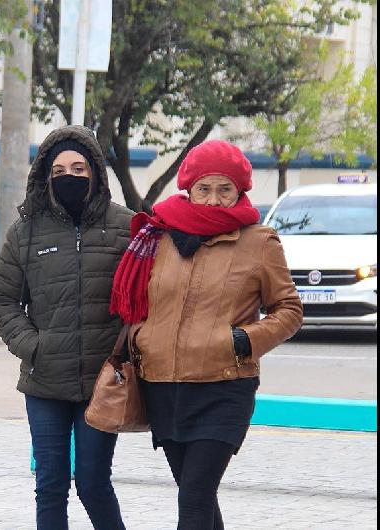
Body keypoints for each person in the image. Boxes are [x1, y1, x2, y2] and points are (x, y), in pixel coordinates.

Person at [109, 140, 303, 529]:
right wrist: (143, 339)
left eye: (224, 189)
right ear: (189, 189)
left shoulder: (259, 242)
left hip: (222, 387)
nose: (213, 200)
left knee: (194, 497)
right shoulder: (159, 237)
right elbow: (140, 301)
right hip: (163, 386)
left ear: (240, 191)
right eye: (204, 189)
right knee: (195, 495)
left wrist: (244, 340)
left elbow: (289, 311)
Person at [0, 125, 134, 529]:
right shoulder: (26, 231)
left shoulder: (125, 226)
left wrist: (124, 352)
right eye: (59, 170)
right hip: (44, 382)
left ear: (96, 172)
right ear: (45, 176)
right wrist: (33, 345)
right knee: (50, 484)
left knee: (92, 481)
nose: (70, 176)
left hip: (101, 381)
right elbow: (2, 300)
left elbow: (145, 296)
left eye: (79, 167)